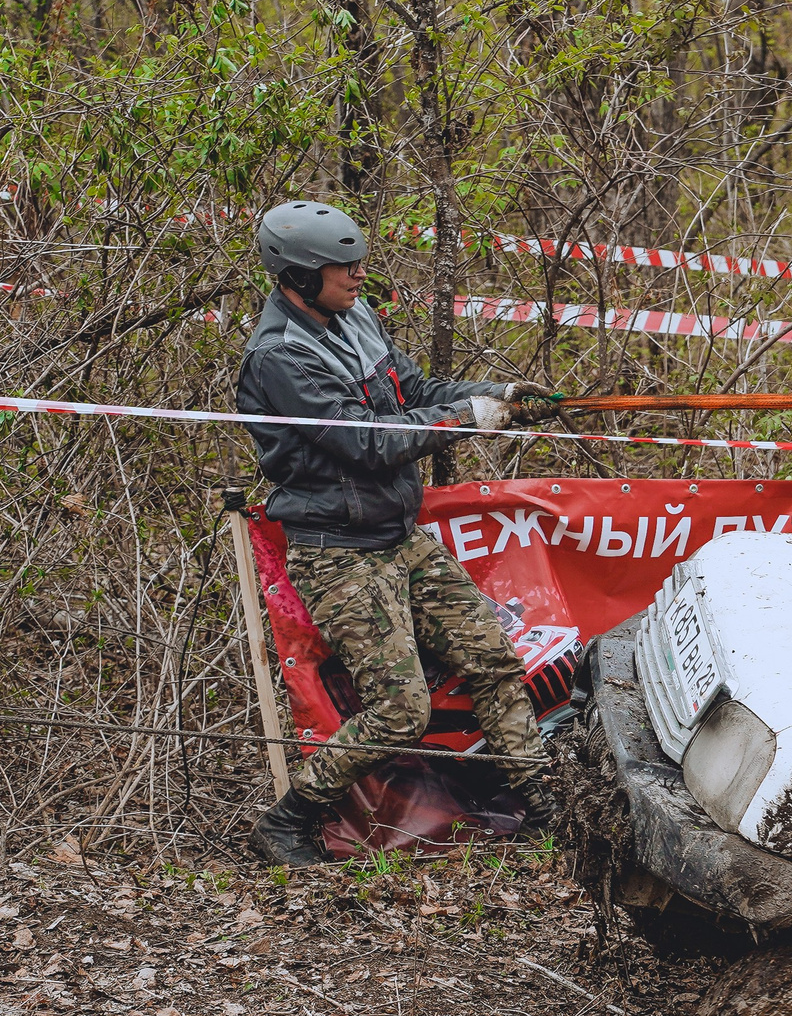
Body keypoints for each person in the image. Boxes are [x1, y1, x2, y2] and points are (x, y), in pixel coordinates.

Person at [236, 200, 560, 866]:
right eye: (342, 267)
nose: (359, 276)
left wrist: (500, 392)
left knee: (494, 657)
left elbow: (415, 389)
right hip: (338, 553)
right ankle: (290, 817)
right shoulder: (279, 358)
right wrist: (471, 417)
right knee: (399, 712)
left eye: (358, 263)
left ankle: (544, 803)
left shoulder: (355, 318)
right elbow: (372, 444)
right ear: (298, 277)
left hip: (397, 536)